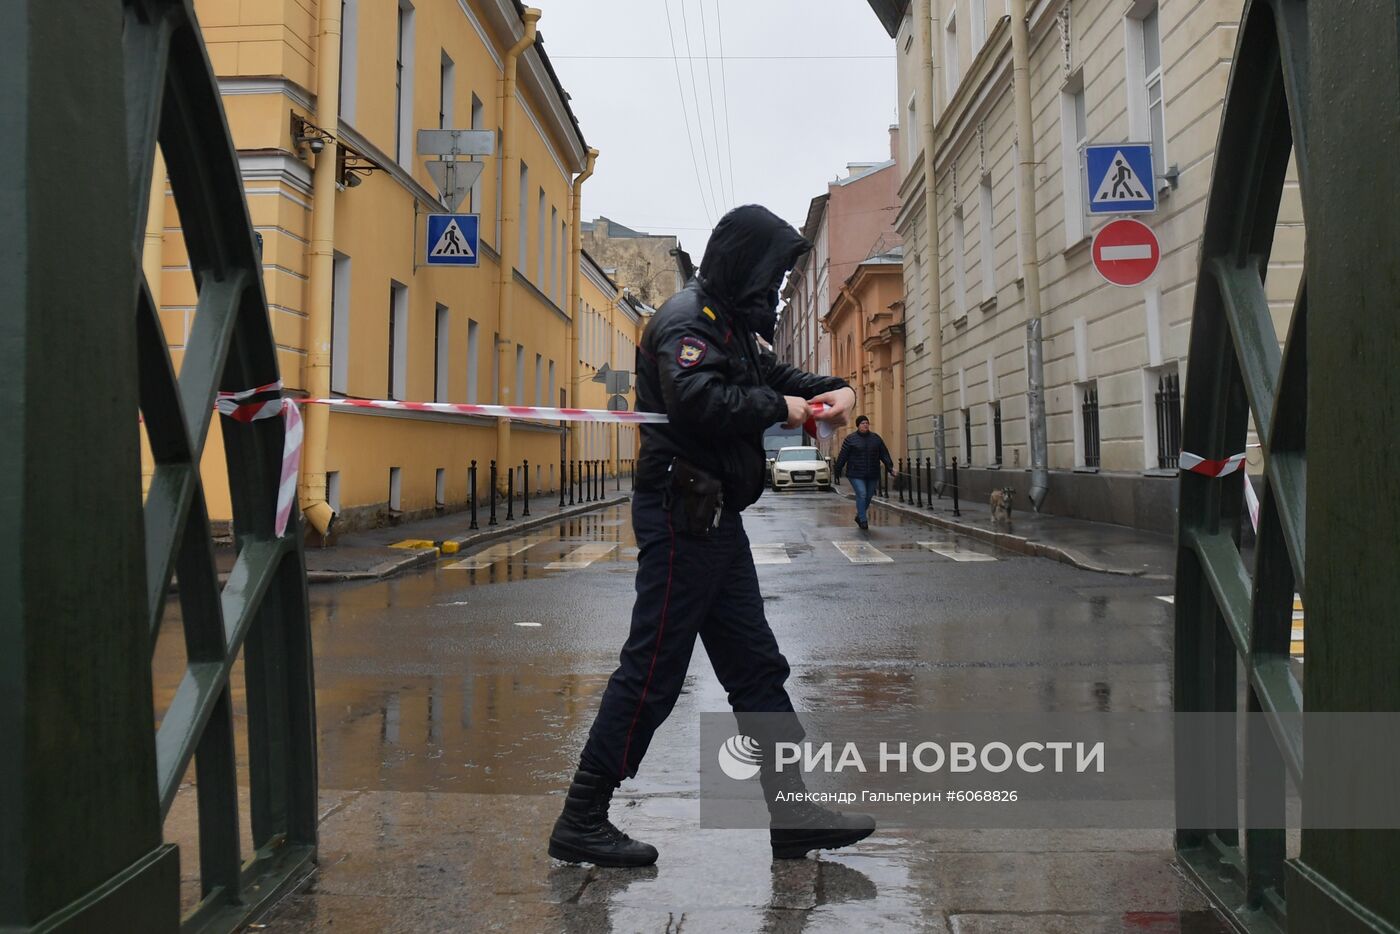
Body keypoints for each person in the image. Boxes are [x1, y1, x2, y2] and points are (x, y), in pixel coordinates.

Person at [548, 205, 875, 867]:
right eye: (773, 271)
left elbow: (773, 377)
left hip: (714, 518)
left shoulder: (725, 324)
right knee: (653, 673)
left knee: (757, 669)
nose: (776, 286)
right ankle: (582, 817)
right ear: (744, 262)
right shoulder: (686, 321)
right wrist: (779, 409)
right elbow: (696, 398)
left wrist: (829, 388)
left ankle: (792, 814)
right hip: (682, 511)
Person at [833, 416, 894, 530]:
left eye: (867, 423)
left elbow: (884, 454)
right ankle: (863, 519)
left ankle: (859, 515)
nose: (865, 425)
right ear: (858, 425)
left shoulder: (876, 439)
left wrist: (890, 468)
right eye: (862, 423)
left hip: (872, 472)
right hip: (855, 473)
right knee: (862, 493)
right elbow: (843, 456)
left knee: (869, 495)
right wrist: (837, 470)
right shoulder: (850, 439)